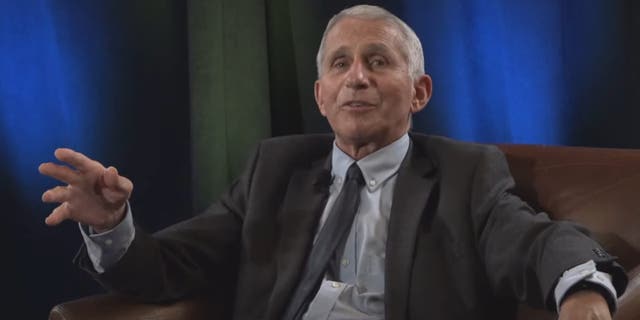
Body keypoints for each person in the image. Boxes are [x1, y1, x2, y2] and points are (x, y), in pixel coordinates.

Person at [39, 4, 627, 320]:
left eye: (377, 60)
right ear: (322, 97)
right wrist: (111, 226)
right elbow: (170, 266)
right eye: (340, 64)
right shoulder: (274, 169)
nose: (358, 78)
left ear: (419, 92)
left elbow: (535, 243)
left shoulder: (465, 173)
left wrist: (582, 290)